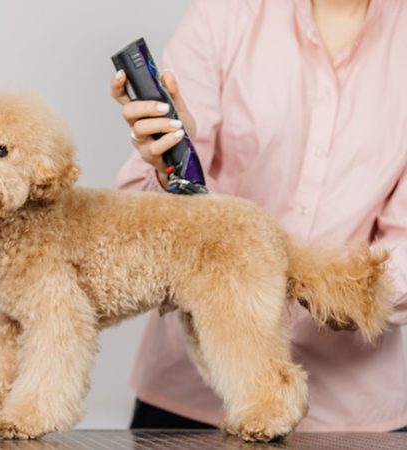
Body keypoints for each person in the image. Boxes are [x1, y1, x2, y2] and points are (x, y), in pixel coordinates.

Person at [111, 0, 407, 432]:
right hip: (195, 400)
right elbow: (143, 216)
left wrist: (343, 292)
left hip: (353, 415)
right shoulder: (223, 14)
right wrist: (171, 165)